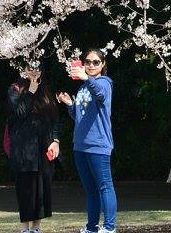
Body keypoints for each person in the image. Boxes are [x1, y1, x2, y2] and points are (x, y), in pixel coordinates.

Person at [57, 50, 115, 233]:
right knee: (90, 190)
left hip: (98, 144)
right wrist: (70, 105)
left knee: (104, 186)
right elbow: (80, 116)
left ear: (103, 64)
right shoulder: (83, 88)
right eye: (88, 62)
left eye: (96, 62)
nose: (91, 65)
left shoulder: (104, 83)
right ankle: (92, 228)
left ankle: (109, 227)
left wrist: (86, 79)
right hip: (80, 145)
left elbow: (100, 94)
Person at [8, 66, 61, 232]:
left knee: (41, 188)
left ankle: (37, 226)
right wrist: (30, 90)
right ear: (23, 70)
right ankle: (25, 227)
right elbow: (19, 112)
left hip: (43, 148)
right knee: (25, 188)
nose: (34, 73)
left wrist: (56, 140)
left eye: (37, 69)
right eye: (30, 69)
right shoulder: (15, 89)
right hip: (23, 149)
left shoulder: (45, 91)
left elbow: (55, 119)